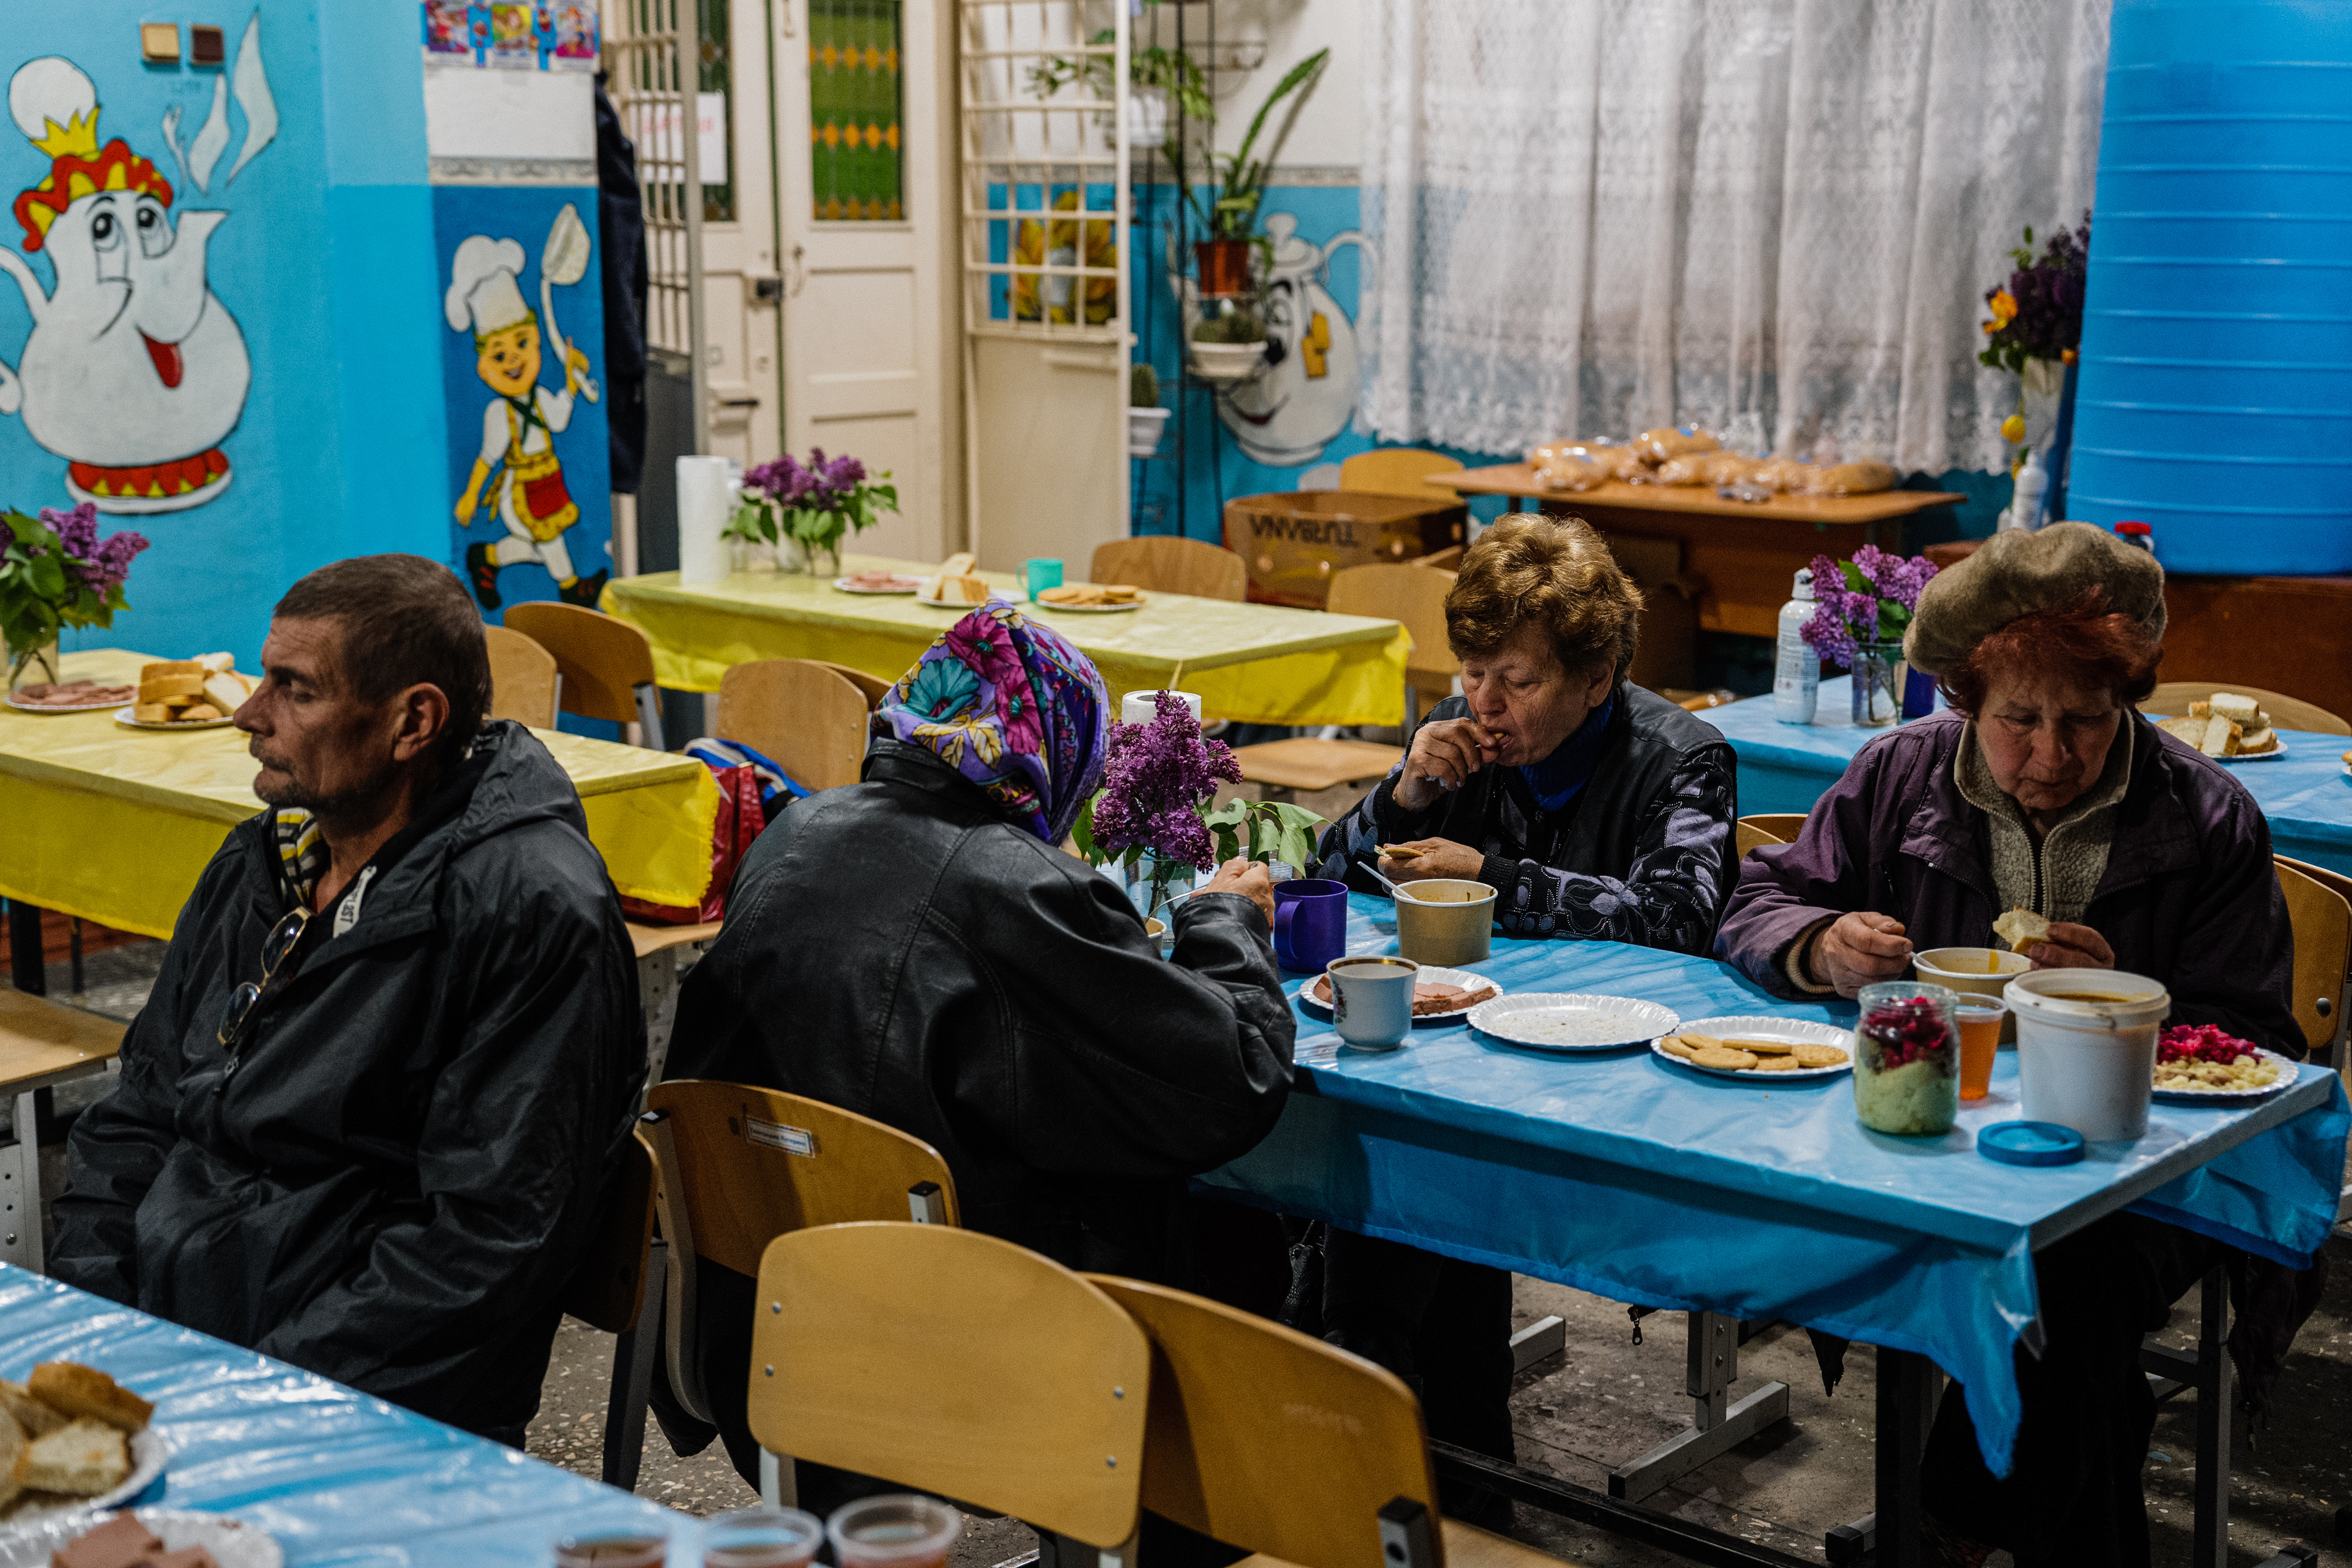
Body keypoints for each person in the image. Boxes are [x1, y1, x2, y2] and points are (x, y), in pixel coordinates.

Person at [1716, 522, 2309, 1566]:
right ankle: (1966, 1533)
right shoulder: (1903, 777)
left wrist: (2123, 1001)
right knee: (2086, 1362)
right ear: (1965, 703)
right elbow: (1758, 899)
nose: (2050, 755)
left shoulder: (2207, 815)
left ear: (2128, 704)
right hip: (1934, 1131)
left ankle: (1942, 1528)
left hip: (2149, 1169)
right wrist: (1822, 946)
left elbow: (2260, 1041)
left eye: (2085, 720)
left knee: (2067, 1273)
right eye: (2018, 720)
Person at [653, 602, 1296, 1496]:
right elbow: (1235, 1076)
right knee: (1237, 1229)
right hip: (939, 1352)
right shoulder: (1017, 884)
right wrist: (1227, 919)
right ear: (1055, 746)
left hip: (755, 1319)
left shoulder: (795, 831)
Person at [49, 555, 643, 1445]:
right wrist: (108, 1337)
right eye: (264, 678)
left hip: (359, 1408)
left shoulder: (531, 909)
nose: (250, 715)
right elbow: (137, 1114)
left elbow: (482, 1244)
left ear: (413, 722)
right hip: (185, 1359)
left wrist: (249, 1402)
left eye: (295, 691)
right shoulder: (261, 864)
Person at [1305, 514, 1740, 1470]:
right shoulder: (1458, 748)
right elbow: (1322, 873)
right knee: (1384, 1164)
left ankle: (1420, 1460)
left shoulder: (1683, 758)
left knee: (1411, 1183)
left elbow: (1679, 921)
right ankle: (1406, 1459)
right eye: (1473, 671)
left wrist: (1495, 875)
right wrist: (1402, 797)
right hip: (1467, 1066)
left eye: (1520, 680)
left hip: (1623, 1086)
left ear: (1599, 677)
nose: (1487, 704)